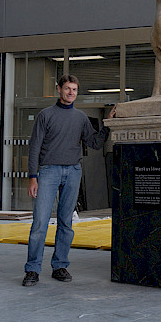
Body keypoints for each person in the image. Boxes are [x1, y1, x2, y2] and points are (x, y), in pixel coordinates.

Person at [22, 74, 117, 287]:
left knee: (66, 222)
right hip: (48, 172)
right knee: (40, 222)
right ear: (59, 89)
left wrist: (108, 124)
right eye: (67, 89)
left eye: (74, 89)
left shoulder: (81, 118)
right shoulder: (45, 115)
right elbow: (35, 147)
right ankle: (32, 269)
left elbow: (94, 143)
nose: (71, 93)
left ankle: (60, 265)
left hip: (73, 171)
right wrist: (32, 177)